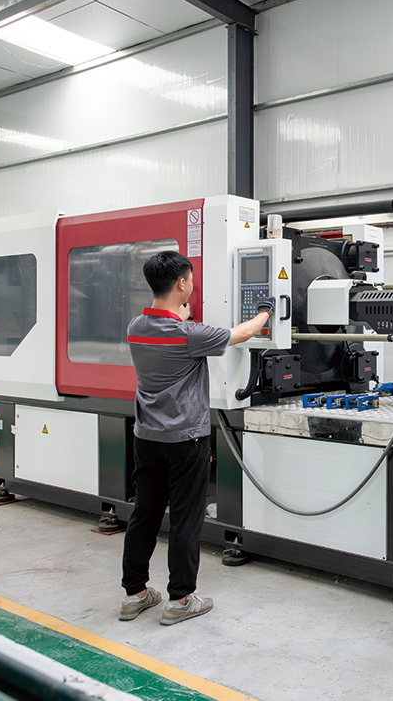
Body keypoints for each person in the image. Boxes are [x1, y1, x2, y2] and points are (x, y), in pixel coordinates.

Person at [118, 250, 273, 625]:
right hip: (186, 440)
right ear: (181, 284)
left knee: (145, 513)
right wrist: (266, 310)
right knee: (186, 519)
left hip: (147, 437)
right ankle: (181, 599)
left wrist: (182, 316)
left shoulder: (136, 327)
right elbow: (244, 333)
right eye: (190, 279)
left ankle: (135, 594)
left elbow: (169, 332)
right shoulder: (188, 335)